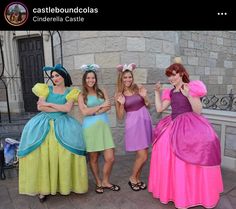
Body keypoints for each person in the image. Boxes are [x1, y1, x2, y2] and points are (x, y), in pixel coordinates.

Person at [148, 57, 223, 209]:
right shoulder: (170, 92)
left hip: (189, 123)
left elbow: (198, 111)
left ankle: (193, 192)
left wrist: (189, 95)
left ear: (181, 74)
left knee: (198, 148)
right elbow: (159, 109)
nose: (171, 78)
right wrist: (157, 93)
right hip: (172, 124)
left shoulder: (190, 87)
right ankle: (174, 191)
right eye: (169, 75)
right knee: (164, 151)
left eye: (174, 74)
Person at [18, 64, 88, 202]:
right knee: (44, 155)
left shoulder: (71, 91)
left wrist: (49, 105)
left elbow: (67, 108)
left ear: (64, 76)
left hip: (63, 125)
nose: (55, 78)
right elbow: (40, 106)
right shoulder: (45, 89)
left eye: (57, 75)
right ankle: (43, 189)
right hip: (43, 124)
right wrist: (56, 107)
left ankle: (63, 185)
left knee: (62, 154)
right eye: (53, 76)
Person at [78, 64, 120, 194]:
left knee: (110, 158)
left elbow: (109, 106)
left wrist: (94, 110)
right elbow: (84, 112)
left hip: (104, 128)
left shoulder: (102, 91)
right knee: (94, 158)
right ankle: (98, 181)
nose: (91, 80)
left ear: (95, 79)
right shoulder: (81, 95)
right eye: (88, 78)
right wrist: (99, 107)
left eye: (93, 78)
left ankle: (106, 180)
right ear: (84, 80)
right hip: (90, 130)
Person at [115, 63, 153, 191]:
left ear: (132, 77)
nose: (127, 80)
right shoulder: (119, 94)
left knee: (143, 154)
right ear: (121, 78)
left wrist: (145, 96)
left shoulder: (138, 88)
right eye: (125, 77)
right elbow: (120, 117)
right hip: (134, 124)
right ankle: (132, 178)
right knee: (143, 156)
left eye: (129, 77)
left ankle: (137, 178)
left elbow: (148, 105)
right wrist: (121, 104)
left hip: (145, 121)